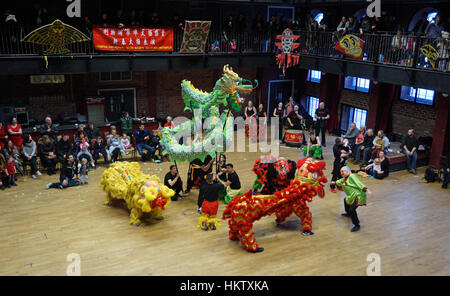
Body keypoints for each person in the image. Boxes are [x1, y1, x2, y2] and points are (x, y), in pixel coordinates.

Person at [336, 166, 373, 232]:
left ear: (348, 171)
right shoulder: (345, 178)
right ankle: (348, 214)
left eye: (343, 171)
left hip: (359, 195)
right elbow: (339, 181)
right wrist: (333, 182)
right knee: (345, 200)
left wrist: (367, 190)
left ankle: (357, 225)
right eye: (341, 171)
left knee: (352, 209)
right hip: (352, 195)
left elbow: (359, 183)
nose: (341, 173)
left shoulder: (352, 176)